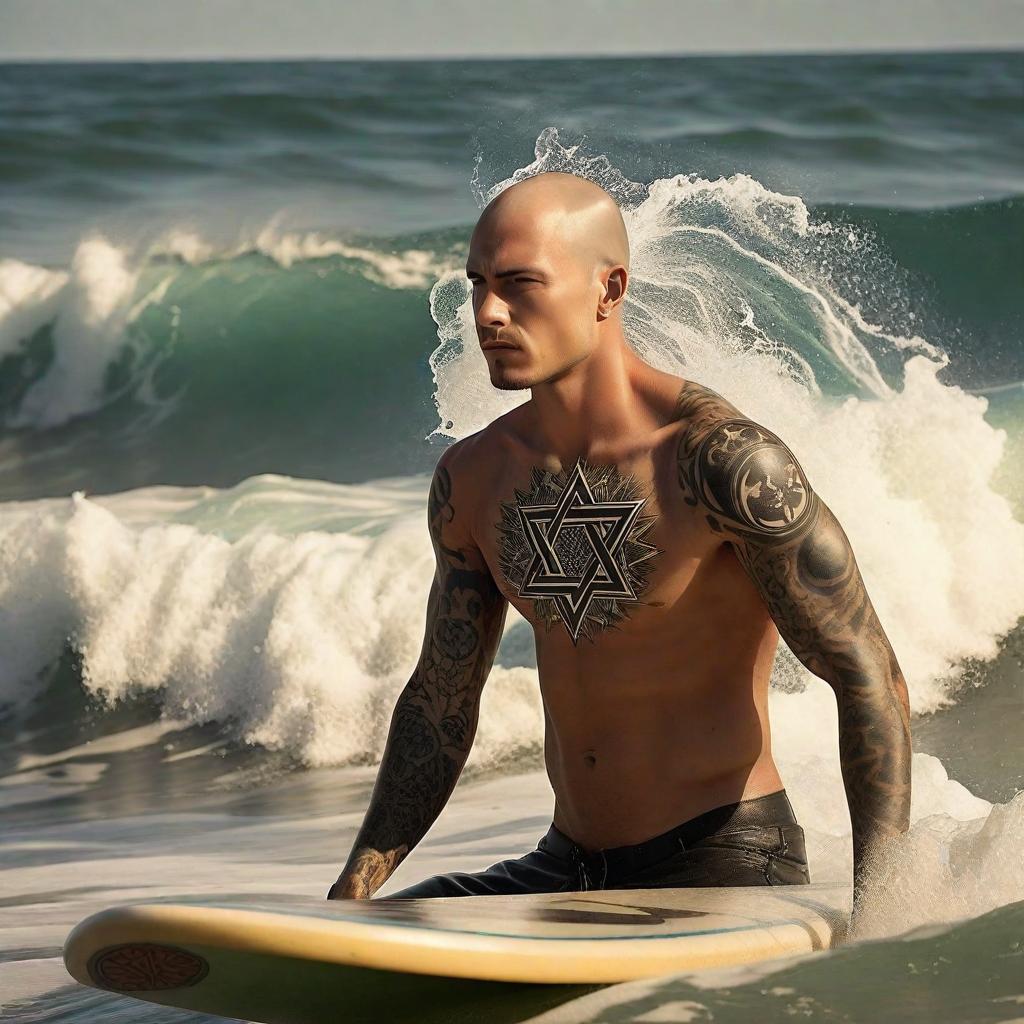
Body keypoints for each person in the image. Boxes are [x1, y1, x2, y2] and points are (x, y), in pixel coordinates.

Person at [326, 171, 911, 913]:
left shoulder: (720, 463)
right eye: (477, 283)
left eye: (520, 284)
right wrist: (355, 888)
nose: (488, 313)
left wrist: (880, 915)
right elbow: (441, 703)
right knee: (385, 943)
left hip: (724, 860)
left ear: (608, 290)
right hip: (565, 865)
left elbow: (869, 679)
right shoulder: (473, 478)